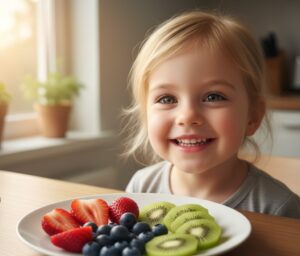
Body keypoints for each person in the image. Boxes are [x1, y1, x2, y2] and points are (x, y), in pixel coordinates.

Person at [123, 10, 300, 219]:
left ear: (253, 116)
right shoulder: (140, 188)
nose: (187, 116)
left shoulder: (279, 209)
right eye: (167, 99)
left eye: (214, 97)